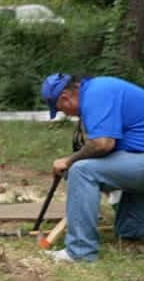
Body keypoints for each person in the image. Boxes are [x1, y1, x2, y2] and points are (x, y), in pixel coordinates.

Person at [40, 72, 144, 262]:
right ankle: (133, 235)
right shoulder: (100, 89)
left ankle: (80, 251)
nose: (66, 114)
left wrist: (68, 161)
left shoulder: (97, 93)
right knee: (121, 167)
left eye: (62, 110)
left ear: (65, 97)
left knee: (82, 171)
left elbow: (102, 144)